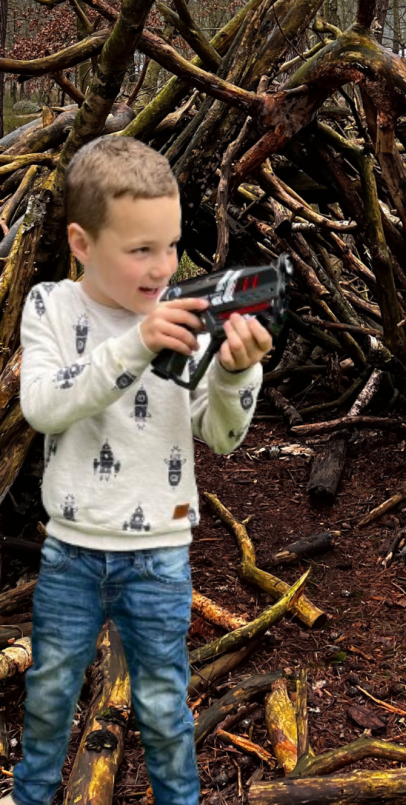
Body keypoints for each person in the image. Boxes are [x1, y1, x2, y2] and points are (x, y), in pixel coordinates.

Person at [5, 136, 273, 805]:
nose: (163, 268)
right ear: (82, 243)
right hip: (70, 551)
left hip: (160, 554)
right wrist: (135, 344)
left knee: (162, 704)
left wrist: (239, 370)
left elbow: (223, 436)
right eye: (141, 250)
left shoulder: (185, 315)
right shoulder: (52, 310)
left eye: (172, 245)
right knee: (49, 694)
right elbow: (43, 406)